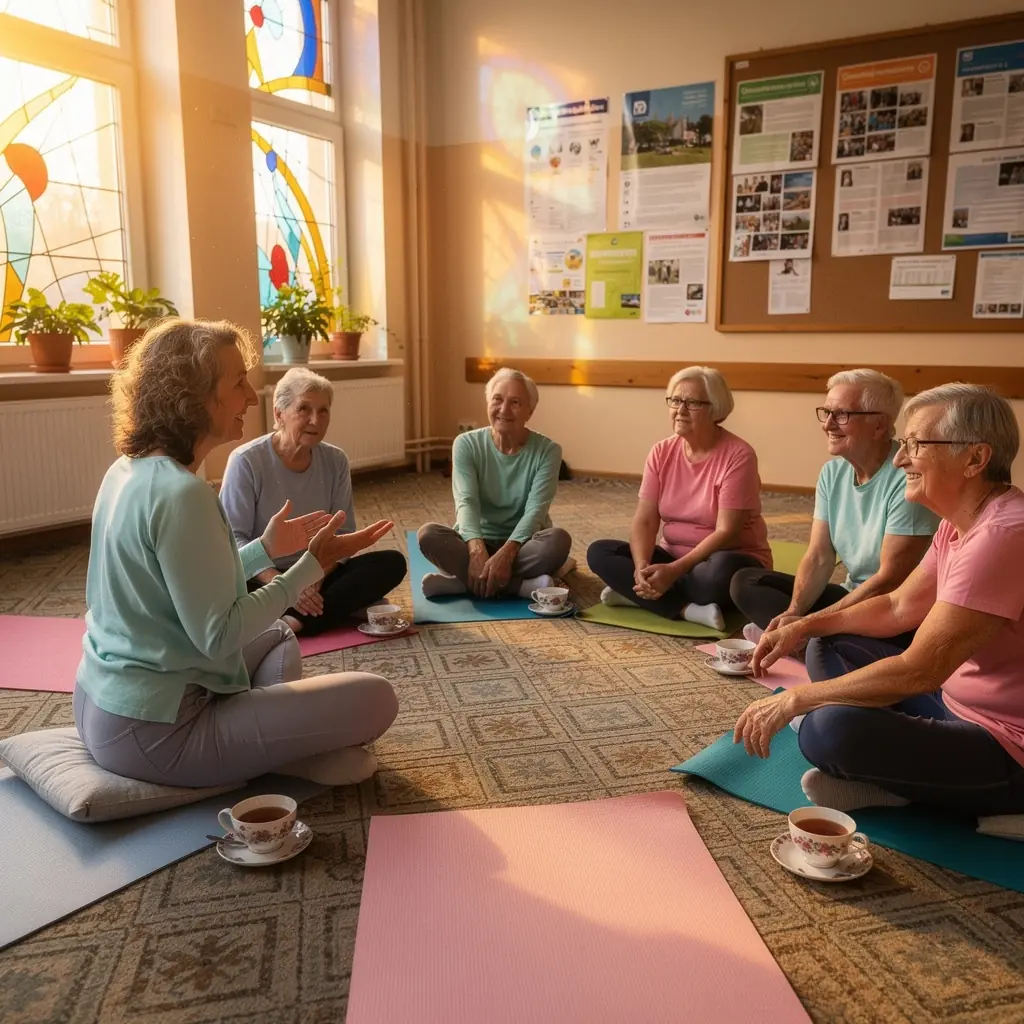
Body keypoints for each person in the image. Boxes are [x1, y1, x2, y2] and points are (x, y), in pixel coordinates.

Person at [73, 320, 399, 789]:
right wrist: (309, 566)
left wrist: (264, 549)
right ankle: (275, 754)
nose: (252, 393)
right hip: (157, 731)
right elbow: (218, 636)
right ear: (194, 396)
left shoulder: (127, 470)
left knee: (278, 638)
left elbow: (177, 583)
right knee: (377, 698)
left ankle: (265, 748)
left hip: (97, 701)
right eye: (238, 382)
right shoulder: (183, 494)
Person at [734, 384, 1024, 817]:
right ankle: (905, 778)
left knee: (826, 729)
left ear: (975, 459)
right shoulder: (960, 520)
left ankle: (937, 791)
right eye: (903, 443)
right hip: (953, 703)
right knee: (828, 641)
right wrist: (804, 624)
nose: (901, 458)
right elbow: (896, 607)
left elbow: (920, 669)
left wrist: (799, 699)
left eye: (916, 444)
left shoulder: (1002, 536)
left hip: (1008, 743)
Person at [730, 370, 937, 681]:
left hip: (893, 612)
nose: (827, 424)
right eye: (827, 412)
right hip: (852, 595)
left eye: (842, 415)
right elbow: (819, 556)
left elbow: (888, 582)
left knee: (833, 639)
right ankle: (810, 646)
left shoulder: (906, 477)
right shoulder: (832, 473)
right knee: (745, 582)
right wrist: (795, 611)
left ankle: (809, 646)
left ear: (879, 424)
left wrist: (808, 624)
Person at [220, 367, 407, 635]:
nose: (315, 420)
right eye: (304, 409)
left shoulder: (336, 460)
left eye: (323, 411)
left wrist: (313, 577)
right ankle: (323, 611)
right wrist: (285, 584)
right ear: (278, 413)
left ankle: (294, 620)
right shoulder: (246, 461)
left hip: (318, 574)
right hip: (263, 577)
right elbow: (234, 541)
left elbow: (342, 535)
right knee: (228, 590)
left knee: (392, 562)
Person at [587, 366, 771, 631]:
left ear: (715, 409)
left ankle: (637, 595)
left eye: (693, 403)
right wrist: (641, 566)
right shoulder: (661, 451)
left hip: (726, 557)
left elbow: (727, 531)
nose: (680, 410)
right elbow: (646, 519)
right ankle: (687, 609)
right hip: (672, 557)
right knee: (600, 552)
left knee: (719, 576)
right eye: (675, 400)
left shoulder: (739, 455)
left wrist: (674, 571)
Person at [417, 368, 572, 599]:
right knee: (428, 535)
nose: (504, 410)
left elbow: (535, 512)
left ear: (530, 411)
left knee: (558, 541)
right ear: (488, 403)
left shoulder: (549, 451)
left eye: (515, 402)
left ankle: (463, 582)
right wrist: (477, 550)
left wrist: (507, 554)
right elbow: (466, 502)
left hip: (524, 545)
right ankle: (520, 587)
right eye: (497, 400)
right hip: (474, 540)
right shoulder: (466, 444)